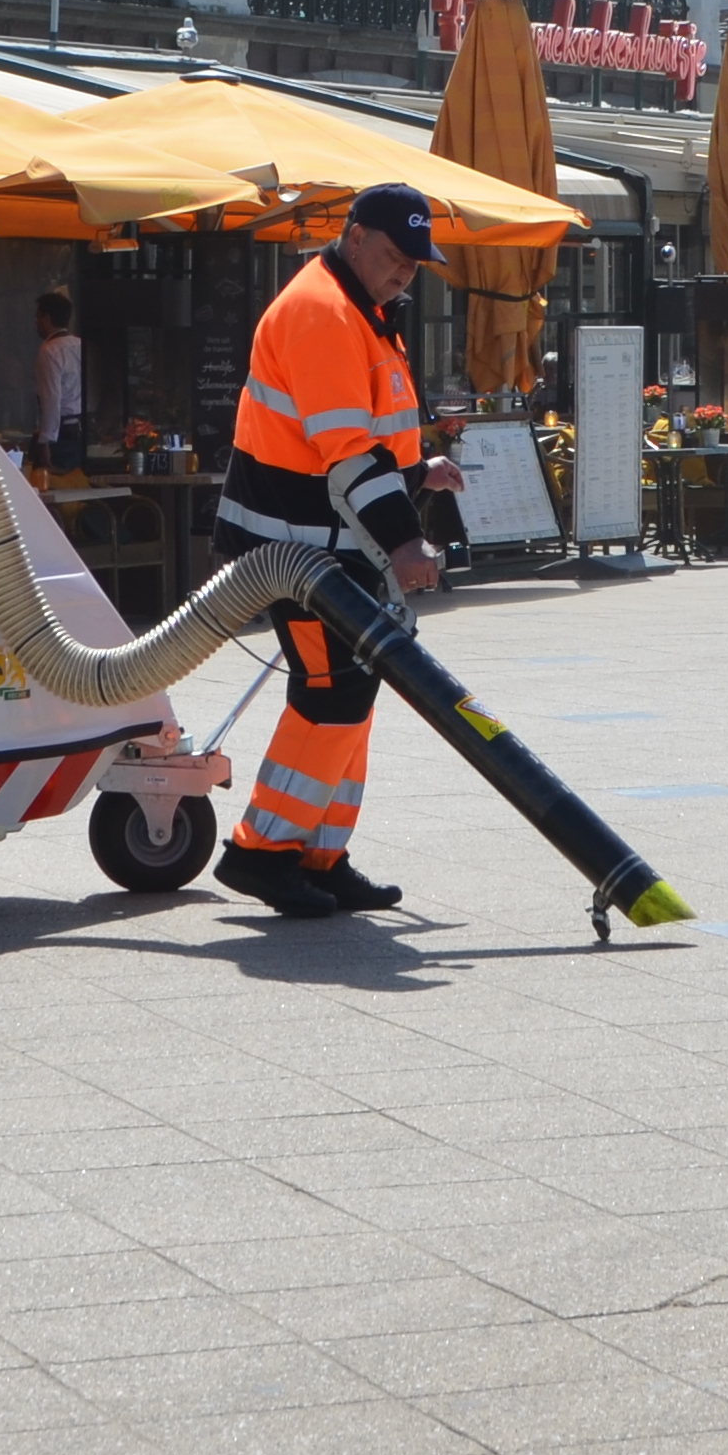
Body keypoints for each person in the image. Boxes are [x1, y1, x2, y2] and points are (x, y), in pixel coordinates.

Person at [211, 184, 464, 919]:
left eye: (415, 266)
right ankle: (262, 852)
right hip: (296, 545)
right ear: (354, 237)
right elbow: (347, 455)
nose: (402, 274)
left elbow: (353, 443)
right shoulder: (322, 311)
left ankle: (317, 856)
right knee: (332, 694)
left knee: (351, 694)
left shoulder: (362, 310)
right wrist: (406, 541)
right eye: (392, 257)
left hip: (325, 540)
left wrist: (416, 474)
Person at [33, 289, 88, 473]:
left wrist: (45, 441)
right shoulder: (81, 345)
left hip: (62, 434)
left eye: (38, 317)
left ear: (47, 318)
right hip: (84, 430)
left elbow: (51, 399)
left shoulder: (50, 351)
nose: (36, 323)